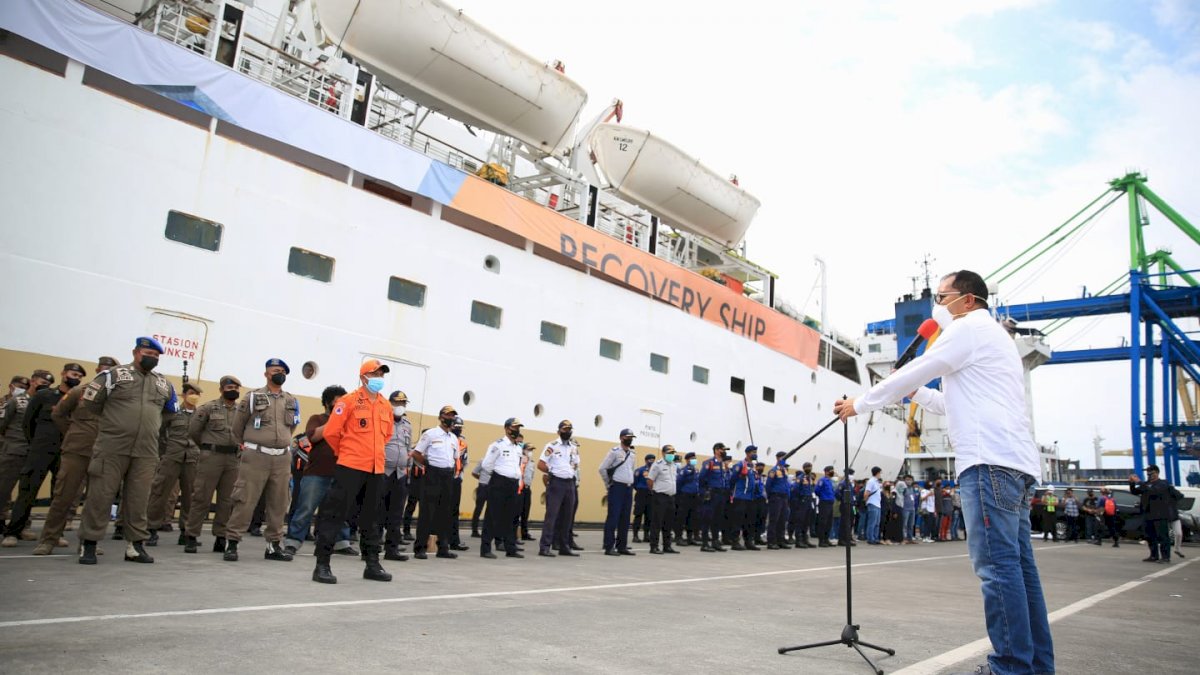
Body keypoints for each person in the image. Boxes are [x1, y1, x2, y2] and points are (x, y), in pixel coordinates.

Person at [835, 269, 1054, 675]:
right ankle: (1036, 667)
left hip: (988, 464)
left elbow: (918, 369)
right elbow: (946, 402)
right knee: (1020, 572)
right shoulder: (995, 338)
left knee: (997, 571)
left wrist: (861, 403)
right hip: (1015, 465)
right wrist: (908, 389)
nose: (937, 305)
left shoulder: (967, 328)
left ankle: (1010, 668)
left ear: (968, 299)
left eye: (942, 296)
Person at [77, 338, 175, 565]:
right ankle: (89, 544)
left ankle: (135, 546)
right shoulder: (112, 376)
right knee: (100, 496)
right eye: (148, 352)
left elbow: (169, 413)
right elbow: (92, 404)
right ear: (135, 352)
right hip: (112, 447)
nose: (153, 357)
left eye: (157, 355)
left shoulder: (163, 384)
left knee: (139, 500)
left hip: (146, 451)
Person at [311, 359, 395, 584]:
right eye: (375, 374)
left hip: (376, 468)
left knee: (372, 517)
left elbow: (386, 435)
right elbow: (331, 433)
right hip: (350, 466)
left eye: (381, 374)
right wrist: (347, 453)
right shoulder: (347, 402)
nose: (379, 378)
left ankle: (372, 564)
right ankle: (322, 565)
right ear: (363, 377)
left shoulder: (385, 405)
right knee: (335, 514)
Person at [34, 357, 117, 555]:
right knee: (64, 496)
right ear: (97, 370)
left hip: (104, 454)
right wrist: (73, 433)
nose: (105, 374)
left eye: (110, 371)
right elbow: (58, 414)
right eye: (103, 370)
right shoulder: (79, 392)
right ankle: (48, 539)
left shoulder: (117, 398)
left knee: (98, 500)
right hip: (76, 452)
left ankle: (88, 542)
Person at [222, 358, 299, 563]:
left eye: (282, 370)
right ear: (266, 373)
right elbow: (237, 428)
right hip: (256, 456)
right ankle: (232, 542)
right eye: (275, 370)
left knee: (279, 503)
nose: (279, 373)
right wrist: (252, 445)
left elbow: (291, 428)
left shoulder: (291, 400)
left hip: (282, 458)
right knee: (245, 500)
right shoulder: (253, 397)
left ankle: (273, 546)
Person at [2, 363, 86, 546]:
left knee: (61, 496)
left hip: (64, 452)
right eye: (73, 374)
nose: (76, 378)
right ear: (63, 374)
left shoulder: (78, 399)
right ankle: (13, 532)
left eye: (79, 376)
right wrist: (36, 443)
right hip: (40, 450)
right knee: (27, 491)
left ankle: (54, 534)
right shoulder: (44, 395)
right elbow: (28, 423)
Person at [283, 385, 356, 557]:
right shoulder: (317, 418)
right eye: (339, 401)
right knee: (306, 508)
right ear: (328, 402)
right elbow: (313, 436)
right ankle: (293, 542)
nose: (342, 404)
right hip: (316, 473)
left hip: (341, 472)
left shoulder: (348, 421)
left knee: (340, 509)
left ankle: (341, 542)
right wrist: (335, 420)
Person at [184, 375, 243, 553]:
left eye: (236, 388)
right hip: (211, 457)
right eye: (229, 387)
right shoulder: (209, 407)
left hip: (233, 459)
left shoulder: (242, 411)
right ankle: (191, 536)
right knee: (201, 497)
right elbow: (194, 430)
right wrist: (207, 446)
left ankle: (220, 537)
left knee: (227, 501)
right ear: (221, 389)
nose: (232, 390)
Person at [144, 382, 202, 546]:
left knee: (190, 497)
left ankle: (186, 532)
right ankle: (151, 529)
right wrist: (166, 452)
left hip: (192, 458)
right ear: (184, 394)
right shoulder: (173, 412)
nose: (194, 396)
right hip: (172, 457)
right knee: (159, 493)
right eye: (191, 392)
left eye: (197, 394)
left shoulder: (201, 414)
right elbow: (160, 432)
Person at [0, 370, 52, 532]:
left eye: (47, 385)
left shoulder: (44, 403)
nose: (43, 386)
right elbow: (2, 425)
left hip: (34, 453)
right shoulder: (17, 401)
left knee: (27, 492)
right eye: (41, 383)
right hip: (14, 451)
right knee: (3, 489)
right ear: (33, 381)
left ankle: (21, 526)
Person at [411, 405, 461, 559]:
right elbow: (416, 453)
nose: (450, 419)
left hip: (447, 476)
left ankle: (443, 548)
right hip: (432, 474)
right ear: (440, 417)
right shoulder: (430, 434)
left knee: (445, 512)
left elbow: (455, 458)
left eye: (453, 416)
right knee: (427, 511)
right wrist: (427, 464)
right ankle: (420, 548)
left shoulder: (453, 438)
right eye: (448, 416)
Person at [477, 417, 525, 559]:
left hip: (513, 483)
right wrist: (499, 475)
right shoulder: (497, 445)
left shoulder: (517, 448)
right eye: (513, 428)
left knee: (510, 517)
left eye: (518, 428)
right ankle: (485, 549)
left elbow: (517, 467)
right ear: (506, 428)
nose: (516, 431)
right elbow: (486, 465)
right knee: (492, 516)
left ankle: (510, 547)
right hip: (499, 482)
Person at [377, 390, 412, 561]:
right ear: (389, 403)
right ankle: (373, 549)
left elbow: (408, 448)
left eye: (403, 403)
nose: (400, 406)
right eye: (396, 403)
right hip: (383, 471)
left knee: (396, 514)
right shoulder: (382, 420)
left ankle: (392, 550)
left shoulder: (407, 424)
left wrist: (408, 469)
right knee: (378, 512)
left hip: (400, 474)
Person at [538, 419, 579, 557]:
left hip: (570, 483)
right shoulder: (552, 446)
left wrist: (571, 473)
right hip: (556, 483)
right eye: (564, 429)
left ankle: (564, 546)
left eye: (569, 429)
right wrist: (552, 472)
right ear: (559, 431)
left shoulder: (573, 447)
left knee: (568, 516)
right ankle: (545, 546)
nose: (567, 432)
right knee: (552, 516)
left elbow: (576, 464)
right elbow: (541, 464)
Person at [1130, 465, 1183, 563]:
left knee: (1162, 536)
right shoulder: (1146, 484)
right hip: (1148, 513)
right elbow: (1135, 491)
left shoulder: (1163, 483)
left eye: (1151, 473)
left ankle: (1165, 557)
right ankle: (1154, 555)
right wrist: (1132, 483)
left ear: (1157, 473)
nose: (1149, 475)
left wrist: (1139, 482)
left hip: (1160, 514)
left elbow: (1154, 491)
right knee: (1150, 536)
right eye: (1148, 473)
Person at [598, 428, 637, 556]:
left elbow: (631, 470)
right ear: (621, 438)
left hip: (628, 488)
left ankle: (622, 546)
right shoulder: (614, 452)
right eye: (627, 437)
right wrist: (608, 484)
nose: (629, 439)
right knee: (613, 517)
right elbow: (602, 468)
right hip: (617, 487)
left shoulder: (632, 455)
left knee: (625, 518)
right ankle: (609, 546)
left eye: (631, 437)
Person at [646, 444, 679, 554]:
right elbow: (650, 480)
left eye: (673, 453)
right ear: (663, 453)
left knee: (668, 523)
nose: (672, 455)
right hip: (660, 497)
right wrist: (654, 491)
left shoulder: (674, 465)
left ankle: (667, 546)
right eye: (669, 453)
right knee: (657, 522)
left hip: (671, 497)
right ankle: (654, 546)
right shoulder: (657, 465)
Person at [697, 442, 729, 552]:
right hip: (711, 494)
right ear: (716, 450)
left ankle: (715, 542)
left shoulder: (723, 464)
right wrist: (704, 492)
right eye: (722, 450)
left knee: (717, 519)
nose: (724, 452)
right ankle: (705, 544)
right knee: (707, 518)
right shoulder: (709, 463)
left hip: (721, 494)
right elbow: (701, 478)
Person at [728, 447, 761, 551]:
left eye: (755, 452)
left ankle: (748, 541)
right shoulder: (741, 464)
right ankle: (735, 542)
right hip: (741, 496)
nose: (754, 454)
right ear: (747, 453)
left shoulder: (753, 466)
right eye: (752, 452)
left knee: (749, 521)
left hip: (750, 498)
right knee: (738, 520)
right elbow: (732, 479)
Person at [447, 416, 470, 552]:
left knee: (454, 511)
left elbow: (465, 461)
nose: (458, 430)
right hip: (444, 478)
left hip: (456, 479)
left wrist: (459, 476)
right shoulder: (446, 439)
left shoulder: (463, 443)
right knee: (441, 509)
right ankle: (437, 539)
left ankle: (454, 540)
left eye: (460, 428)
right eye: (456, 427)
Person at [765, 452, 791, 549]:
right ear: (778, 458)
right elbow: (768, 485)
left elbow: (786, 485)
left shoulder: (784, 470)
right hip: (776, 497)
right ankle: (771, 541)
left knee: (782, 520)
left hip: (784, 498)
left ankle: (780, 540)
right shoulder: (773, 470)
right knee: (774, 520)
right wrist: (770, 496)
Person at [673, 451, 700, 546]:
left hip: (694, 496)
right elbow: (678, 482)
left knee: (692, 517)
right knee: (681, 517)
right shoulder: (683, 470)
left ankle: (690, 537)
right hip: (685, 496)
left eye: (695, 458)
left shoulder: (696, 470)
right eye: (692, 458)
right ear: (687, 460)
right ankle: (678, 537)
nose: (694, 460)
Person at [789, 463, 816, 548]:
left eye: (810, 467)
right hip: (802, 501)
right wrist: (798, 499)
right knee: (800, 521)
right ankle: (799, 540)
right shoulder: (800, 478)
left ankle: (805, 539)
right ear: (804, 468)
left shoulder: (810, 478)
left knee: (806, 521)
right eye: (807, 467)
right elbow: (794, 489)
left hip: (808, 500)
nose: (809, 468)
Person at [631, 453, 654, 543]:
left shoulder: (655, 471)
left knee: (649, 516)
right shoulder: (640, 470)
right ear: (646, 460)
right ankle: (635, 535)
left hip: (651, 495)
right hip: (641, 494)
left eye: (653, 459)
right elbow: (634, 483)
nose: (651, 461)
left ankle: (646, 535)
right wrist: (640, 489)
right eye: (650, 459)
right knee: (638, 515)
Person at [815, 465, 836, 547]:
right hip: (824, 502)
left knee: (829, 522)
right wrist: (823, 497)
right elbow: (817, 491)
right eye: (831, 470)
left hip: (830, 503)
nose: (832, 472)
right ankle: (821, 540)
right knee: (823, 522)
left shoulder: (830, 481)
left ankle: (826, 539)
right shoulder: (822, 480)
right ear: (827, 472)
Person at [864, 466, 883, 545]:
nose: (881, 474)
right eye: (880, 473)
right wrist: (866, 501)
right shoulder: (871, 481)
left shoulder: (877, 482)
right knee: (872, 522)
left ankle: (875, 538)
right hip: (872, 503)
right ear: (877, 473)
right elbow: (866, 492)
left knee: (877, 523)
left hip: (878, 504)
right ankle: (870, 538)